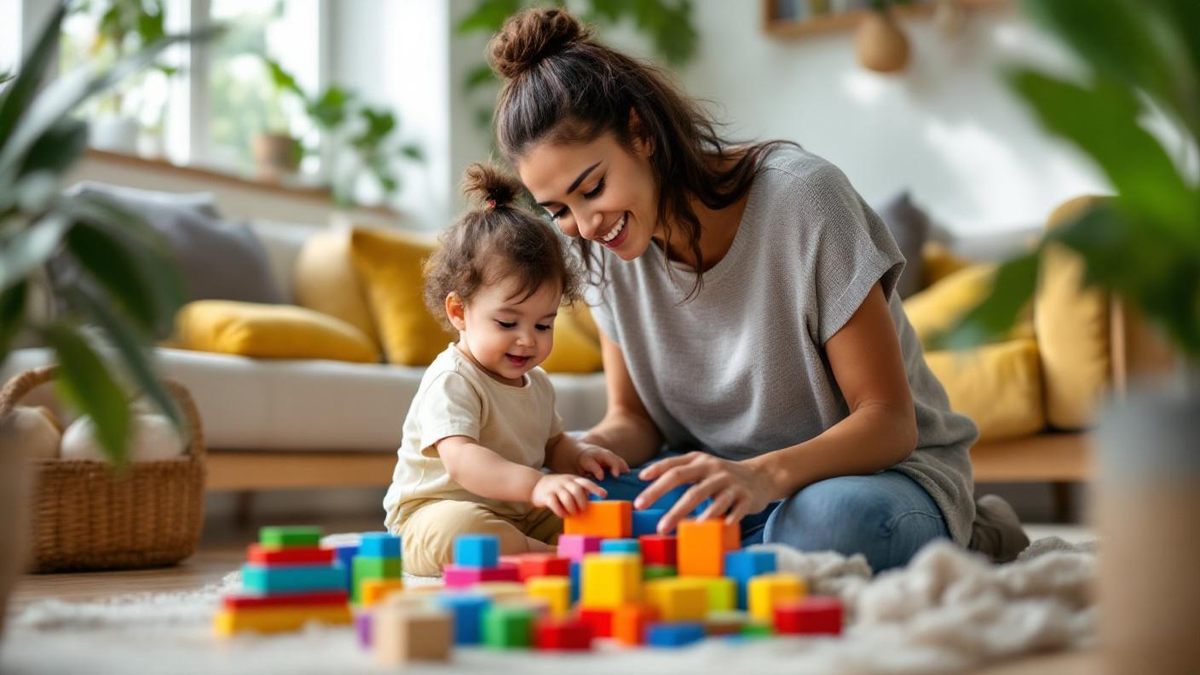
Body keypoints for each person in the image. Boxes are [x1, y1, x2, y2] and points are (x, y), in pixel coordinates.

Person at [484, 7, 1029, 572]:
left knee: (831, 522)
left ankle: (974, 531)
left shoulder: (804, 200)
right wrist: (572, 458)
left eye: (592, 188)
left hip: (868, 476)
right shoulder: (593, 247)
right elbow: (635, 421)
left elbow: (888, 421)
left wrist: (760, 476)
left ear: (640, 132)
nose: (587, 225)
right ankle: (746, 552)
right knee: (563, 506)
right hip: (715, 482)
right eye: (559, 211)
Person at [382, 163, 629, 576]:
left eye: (543, 324)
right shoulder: (453, 379)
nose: (528, 340)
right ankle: (548, 558)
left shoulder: (538, 383)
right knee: (465, 531)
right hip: (434, 514)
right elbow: (461, 459)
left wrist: (579, 455)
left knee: (594, 513)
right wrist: (537, 485)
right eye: (507, 323)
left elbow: (552, 446)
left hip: (518, 514)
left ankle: (543, 549)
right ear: (459, 311)